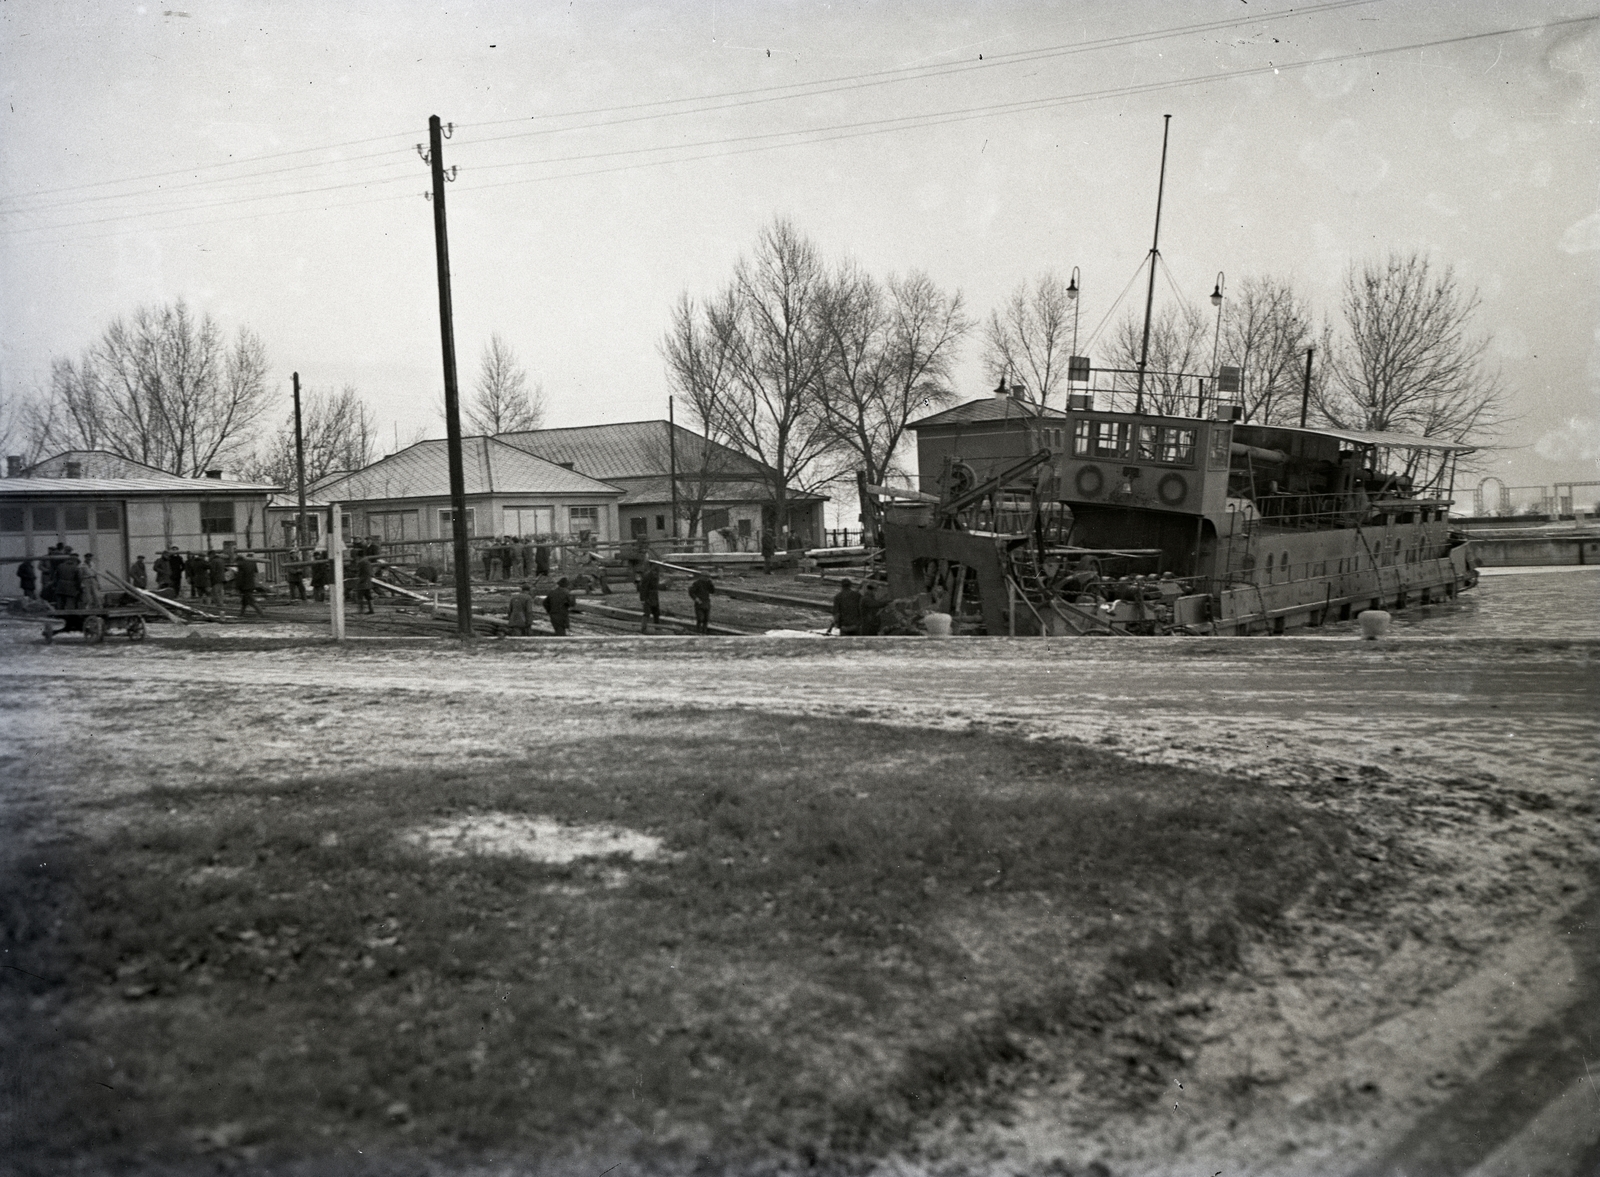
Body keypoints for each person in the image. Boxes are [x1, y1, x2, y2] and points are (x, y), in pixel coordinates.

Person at [235, 552, 265, 618]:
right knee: (244, 602)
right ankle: (241, 614)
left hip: (245, 586)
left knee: (251, 601)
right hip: (250, 584)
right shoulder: (250, 564)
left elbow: (240, 577)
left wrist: (237, 587)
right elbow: (255, 573)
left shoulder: (241, 566)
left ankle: (261, 613)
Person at [636, 562, 661, 634]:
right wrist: (643, 599)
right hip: (648, 597)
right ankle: (643, 629)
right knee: (647, 613)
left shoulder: (656, 576)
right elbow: (643, 588)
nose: (656, 571)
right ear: (651, 568)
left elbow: (656, 587)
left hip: (654, 597)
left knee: (656, 613)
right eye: (654, 569)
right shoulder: (647, 576)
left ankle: (657, 628)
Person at [688, 570, 716, 635]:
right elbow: (691, 592)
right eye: (706, 577)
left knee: (706, 619)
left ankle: (704, 632)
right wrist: (696, 598)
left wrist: (711, 584)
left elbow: (712, 591)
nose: (707, 578)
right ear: (701, 577)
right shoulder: (697, 583)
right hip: (699, 603)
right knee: (700, 618)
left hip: (706, 602)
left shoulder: (708, 583)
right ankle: (698, 632)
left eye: (708, 577)